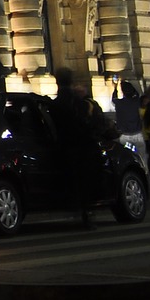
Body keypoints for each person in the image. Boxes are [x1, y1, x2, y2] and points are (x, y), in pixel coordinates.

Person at [50, 68, 104, 225]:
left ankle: (79, 208)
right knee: (87, 179)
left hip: (64, 146)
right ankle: (87, 211)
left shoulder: (55, 104)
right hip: (83, 145)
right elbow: (89, 124)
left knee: (73, 180)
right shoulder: (79, 102)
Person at [113, 79, 148, 172]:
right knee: (142, 158)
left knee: (127, 160)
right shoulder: (136, 101)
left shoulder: (119, 103)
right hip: (137, 134)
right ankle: (146, 175)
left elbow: (113, 98)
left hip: (125, 136)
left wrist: (115, 87)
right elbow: (137, 94)